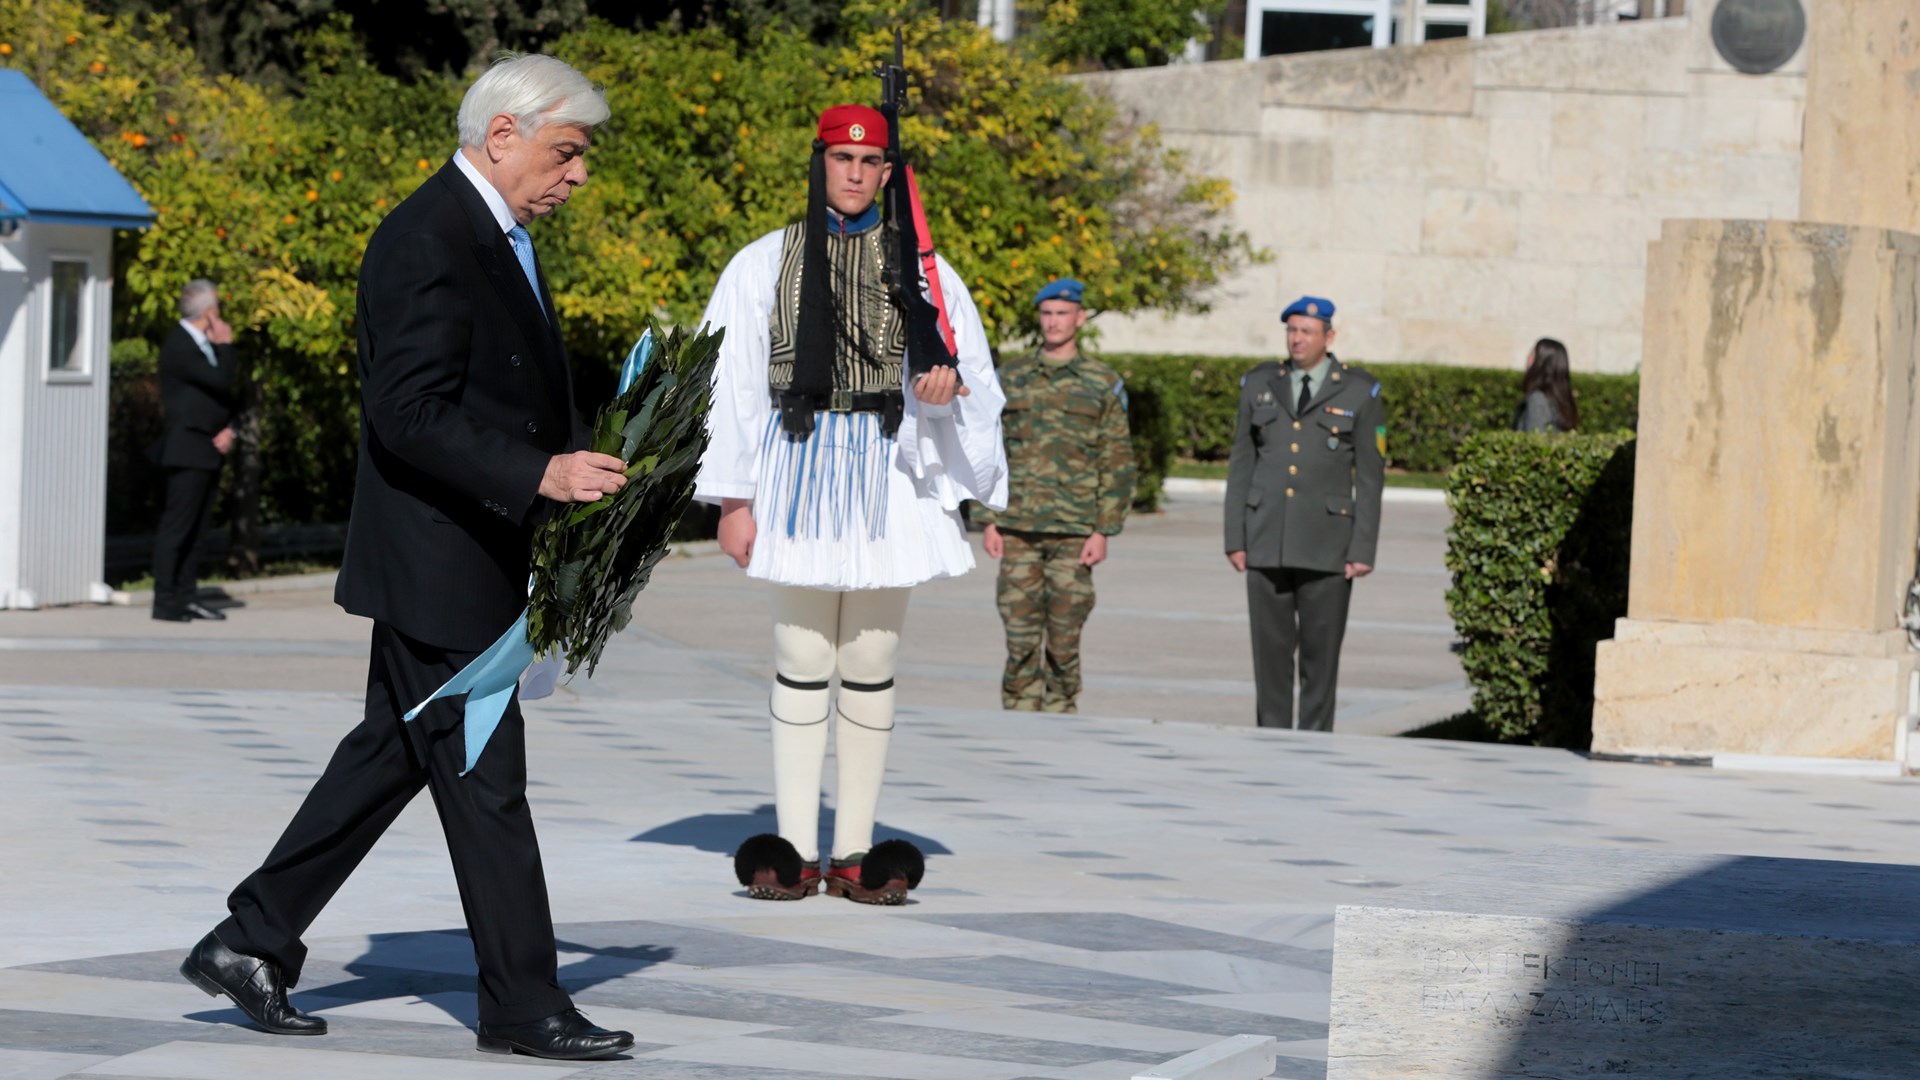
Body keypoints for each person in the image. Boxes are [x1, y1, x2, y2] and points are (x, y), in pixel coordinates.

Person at [177, 55, 636, 1061]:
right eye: (566, 154)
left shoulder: (494, 233)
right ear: (502, 134)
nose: (577, 177)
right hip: (440, 559)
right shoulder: (427, 237)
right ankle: (522, 1003)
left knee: (393, 752)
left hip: (473, 549)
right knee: (485, 777)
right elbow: (406, 413)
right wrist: (541, 474)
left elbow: (493, 394)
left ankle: (249, 940)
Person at [695, 104, 1006, 905]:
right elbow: (725, 385)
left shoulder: (925, 270)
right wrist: (734, 498)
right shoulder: (766, 261)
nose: (858, 174)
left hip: (888, 473)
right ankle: (795, 849)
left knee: (870, 661)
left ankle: (858, 851)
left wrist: (941, 390)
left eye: (872, 164)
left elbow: (967, 382)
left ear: (887, 172)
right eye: (843, 159)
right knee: (802, 658)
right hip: (794, 466)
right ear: (820, 162)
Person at [1223, 295, 1384, 732]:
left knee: (1321, 657)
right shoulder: (1259, 383)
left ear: (1328, 337)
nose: (1297, 339)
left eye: (1306, 332)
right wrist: (1235, 538)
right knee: (1270, 657)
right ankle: (1271, 741)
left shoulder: (1359, 391)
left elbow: (1370, 477)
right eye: (1292, 330)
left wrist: (1362, 547)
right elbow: (1242, 462)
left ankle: (1315, 744)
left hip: (1328, 545)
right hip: (1266, 539)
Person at [977, 277, 1135, 713]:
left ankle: (1062, 715)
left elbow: (1117, 460)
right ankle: (1019, 719)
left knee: (1065, 639)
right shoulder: (1011, 378)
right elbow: (989, 449)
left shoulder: (1102, 382)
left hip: (1074, 531)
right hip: (1018, 529)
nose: (1053, 322)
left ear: (1079, 318)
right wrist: (988, 518)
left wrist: (1104, 530)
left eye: (1062, 313)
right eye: (1046, 314)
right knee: (1020, 638)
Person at [150, 279, 236, 622]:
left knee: (197, 529)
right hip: (187, 447)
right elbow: (221, 382)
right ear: (209, 312)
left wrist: (228, 428)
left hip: (207, 446)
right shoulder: (181, 345)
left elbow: (217, 398)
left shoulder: (202, 344)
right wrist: (227, 345)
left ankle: (186, 595)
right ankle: (166, 599)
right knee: (178, 527)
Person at [1513, 336, 1579, 433]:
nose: (1528, 358)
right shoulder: (1561, 399)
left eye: (1532, 354)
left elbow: (1534, 438)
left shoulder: (1538, 399)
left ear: (1541, 361)